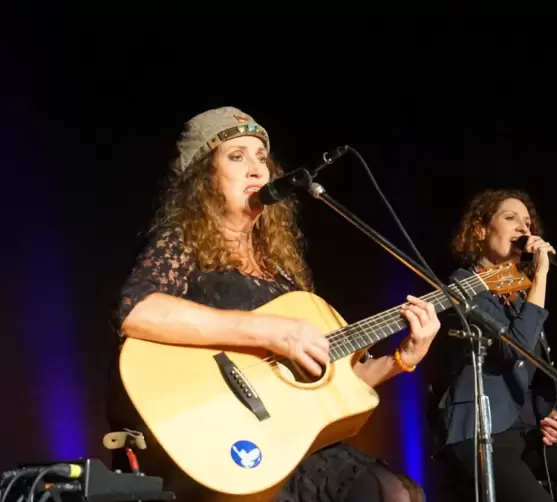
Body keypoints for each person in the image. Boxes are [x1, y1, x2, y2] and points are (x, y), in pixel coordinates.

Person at [106, 106, 440, 502]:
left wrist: (401, 360)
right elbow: (137, 309)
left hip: (286, 440)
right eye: (237, 156)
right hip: (219, 437)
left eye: (261, 158)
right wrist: (272, 330)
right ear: (202, 178)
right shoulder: (182, 242)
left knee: (399, 492)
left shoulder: (283, 273)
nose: (257, 170)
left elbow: (323, 394)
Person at [426, 188, 557, 501]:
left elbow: (526, 368)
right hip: (479, 432)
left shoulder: (519, 293)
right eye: (510, 218)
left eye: (527, 222)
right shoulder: (462, 286)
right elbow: (514, 349)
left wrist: (546, 411)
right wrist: (540, 275)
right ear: (480, 230)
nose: (524, 228)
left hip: (526, 430)